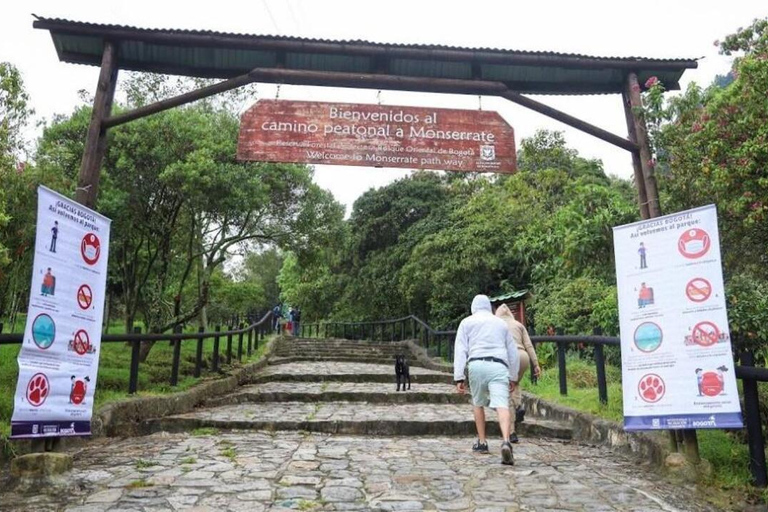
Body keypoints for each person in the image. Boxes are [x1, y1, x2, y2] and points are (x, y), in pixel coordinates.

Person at [454, 294, 520, 465]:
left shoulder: (466, 322)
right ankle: (506, 441)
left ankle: (482, 442)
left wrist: (459, 377)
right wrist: (514, 376)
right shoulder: (501, 323)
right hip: (498, 365)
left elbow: (460, 350)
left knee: (478, 402)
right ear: (489, 307)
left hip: (476, 365)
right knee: (502, 404)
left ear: (473, 307)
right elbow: (512, 352)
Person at [494, 304, 540, 443]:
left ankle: (512, 432)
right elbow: (529, 345)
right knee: (515, 383)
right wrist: (536, 364)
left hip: (508, 357)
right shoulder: (518, 325)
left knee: (506, 393)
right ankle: (519, 405)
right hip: (523, 356)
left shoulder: (497, 325)